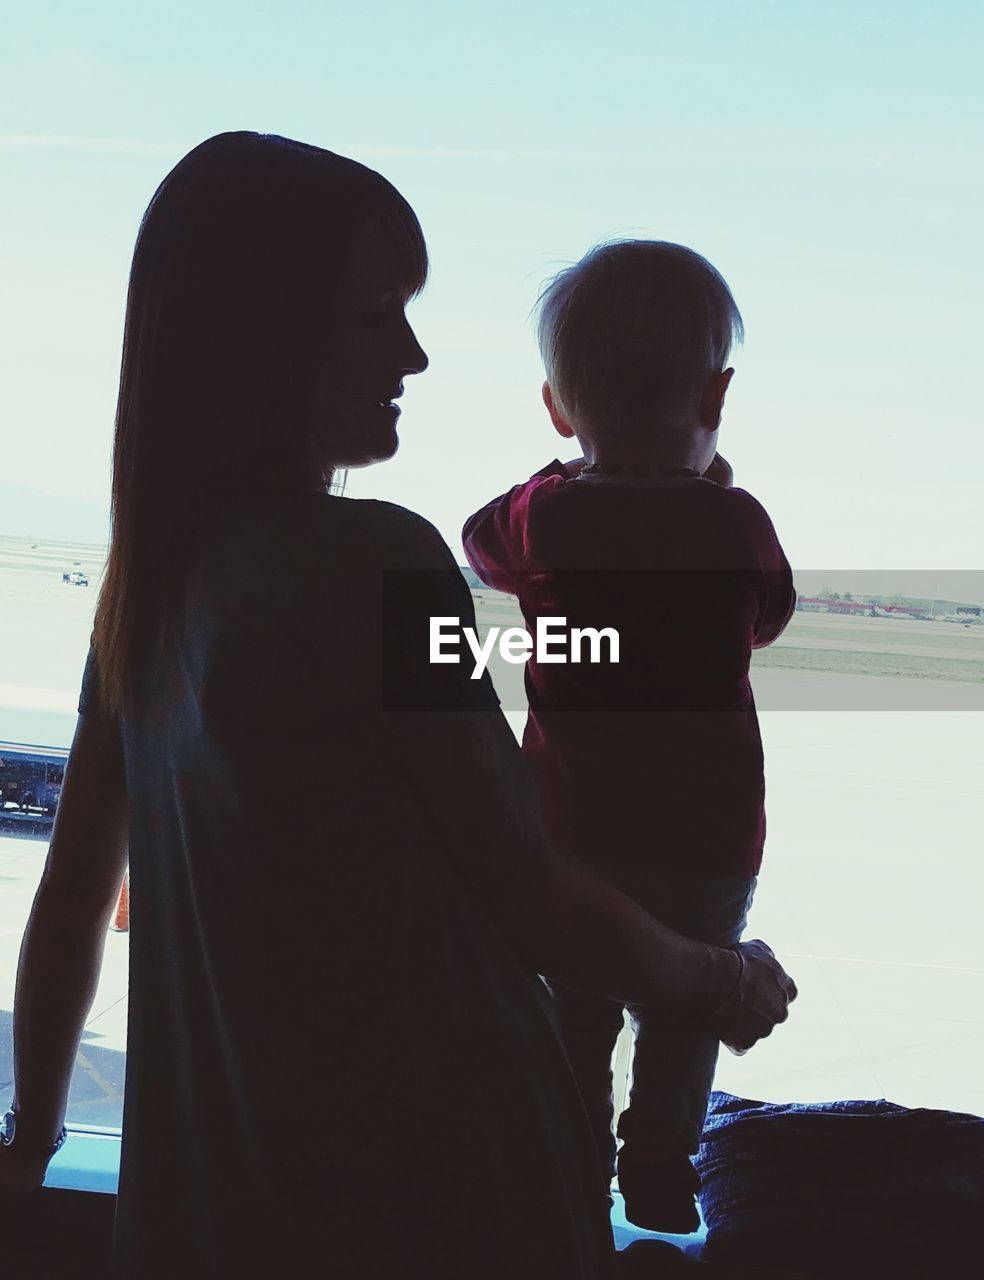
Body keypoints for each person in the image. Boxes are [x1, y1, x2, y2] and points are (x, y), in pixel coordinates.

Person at [0, 137, 796, 1280]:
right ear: (262, 337)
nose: (415, 353)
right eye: (379, 312)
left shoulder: (154, 582)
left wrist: (29, 1142)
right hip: (429, 1191)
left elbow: (75, 895)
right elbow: (532, 900)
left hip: (223, 1199)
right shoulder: (379, 568)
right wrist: (718, 978)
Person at [462, 240, 796, 1234]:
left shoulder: (543, 516)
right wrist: (708, 493)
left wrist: (560, 476)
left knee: (575, 1004)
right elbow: (769, 613)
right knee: (687, 1006)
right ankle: (661, 1159)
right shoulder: (736, 523)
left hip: (576, 829)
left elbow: (479, 542)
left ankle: (569, 1155)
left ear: (560, 407)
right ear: (716, 396)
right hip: (707, 836)